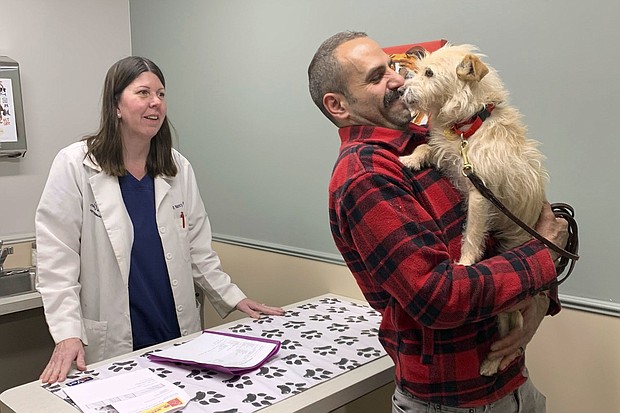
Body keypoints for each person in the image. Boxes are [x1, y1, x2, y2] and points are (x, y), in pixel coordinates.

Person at [308, 31, 569, 412]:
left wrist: (540, 302)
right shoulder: (367, 177)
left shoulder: (437, 138)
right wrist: (543, 258)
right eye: (376, 76)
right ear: (339, 105)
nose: (398, 79)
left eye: (393, 68)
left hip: (511, 383)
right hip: (453, 401)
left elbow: (530, 214)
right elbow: (439, 298)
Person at [35, 56, 284, 384]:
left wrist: (234, 296)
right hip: (115, 338)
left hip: (175, 329)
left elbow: (199, 251)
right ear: (116, 106)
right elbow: (57, 262)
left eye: (161, 94)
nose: (155, 102)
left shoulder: (177, 168)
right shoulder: (75, 165)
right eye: (143, 93)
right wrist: (67, 333)